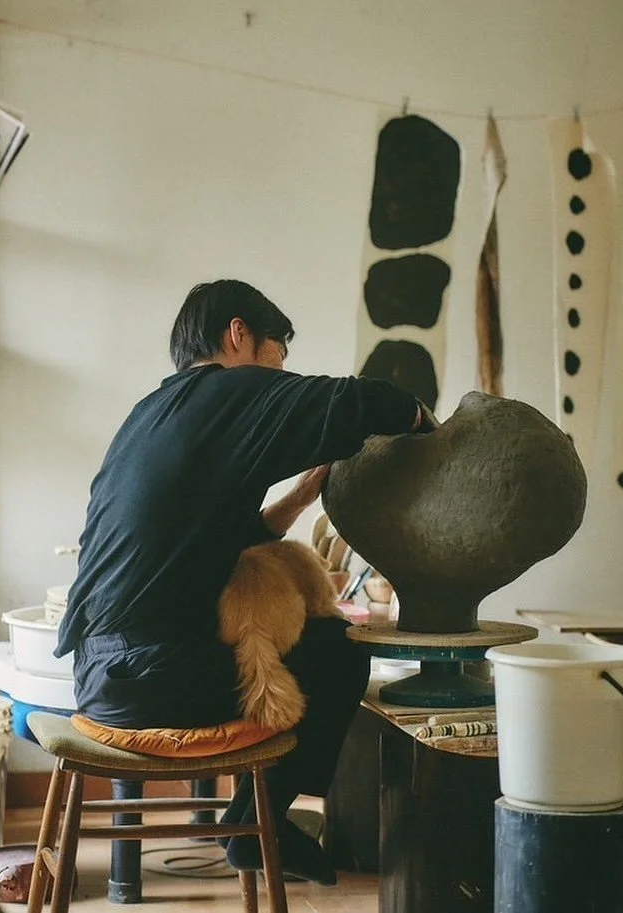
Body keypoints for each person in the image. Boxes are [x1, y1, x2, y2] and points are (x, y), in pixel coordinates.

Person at [55, 279, 430, 884]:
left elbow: (228, 537)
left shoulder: (154, 415)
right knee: (337, 652)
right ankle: (261, 821)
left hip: (99, 674)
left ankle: (258, 819)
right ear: (238, 336)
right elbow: (358, 400)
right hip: (155, 680)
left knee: (308, 641)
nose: (279, 375)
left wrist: (303, 496)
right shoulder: (227, 392)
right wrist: (427, 423)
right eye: (277, 357)